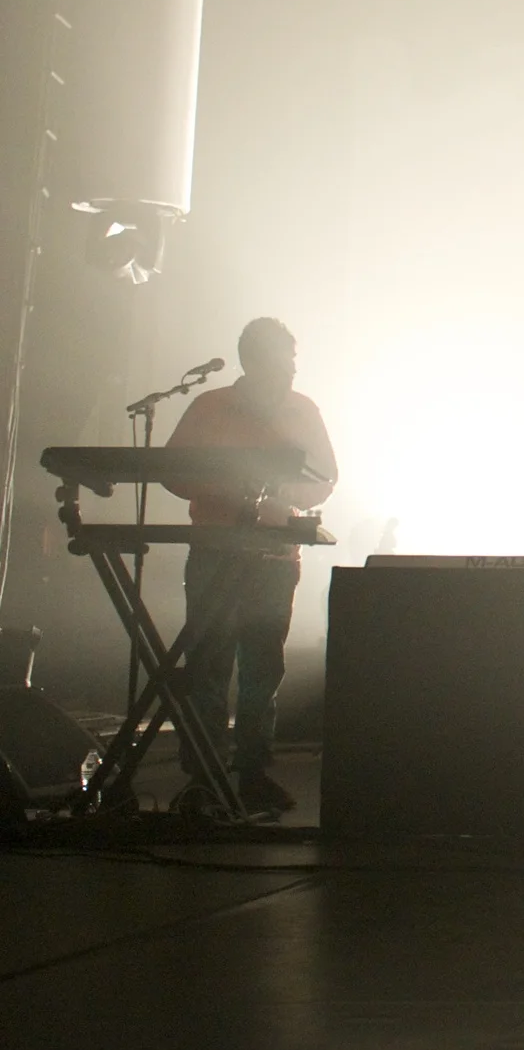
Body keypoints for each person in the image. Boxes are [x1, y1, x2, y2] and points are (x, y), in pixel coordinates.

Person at [163, 318, 338, 814]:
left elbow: (326, 478)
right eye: (284, 359)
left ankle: (251, 773)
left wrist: (276, 495)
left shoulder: (303, 410)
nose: (291, 369)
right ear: (254, 361)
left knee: (263, 665)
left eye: (293, 360)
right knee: (208, 664)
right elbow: (174, 471)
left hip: (275, 552)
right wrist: (233, 494)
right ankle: (204, 777)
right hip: (218, 549)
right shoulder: (209, 406)